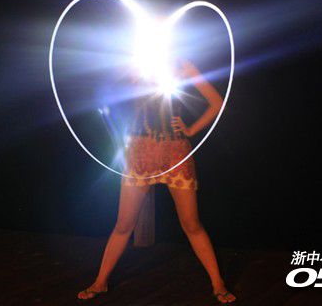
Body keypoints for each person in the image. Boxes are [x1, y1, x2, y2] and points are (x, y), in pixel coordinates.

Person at [78, 60, 236, 303]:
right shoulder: (138, 65)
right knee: (124, 224)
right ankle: (100, 282)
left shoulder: (184, 67)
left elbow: (217, 103)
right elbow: (110, 93)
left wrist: (192, 129)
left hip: (175, 153)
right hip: (140, 152)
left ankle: (218, 283)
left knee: (191, 223)